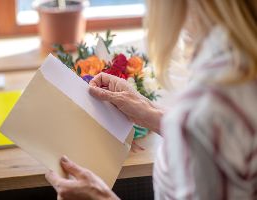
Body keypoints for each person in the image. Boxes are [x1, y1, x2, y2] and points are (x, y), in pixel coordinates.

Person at [45, 0, 257, 199]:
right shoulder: (240, 62)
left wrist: (103, 197)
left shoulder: (205, 106)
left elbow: (207, 125)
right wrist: (150, 112)